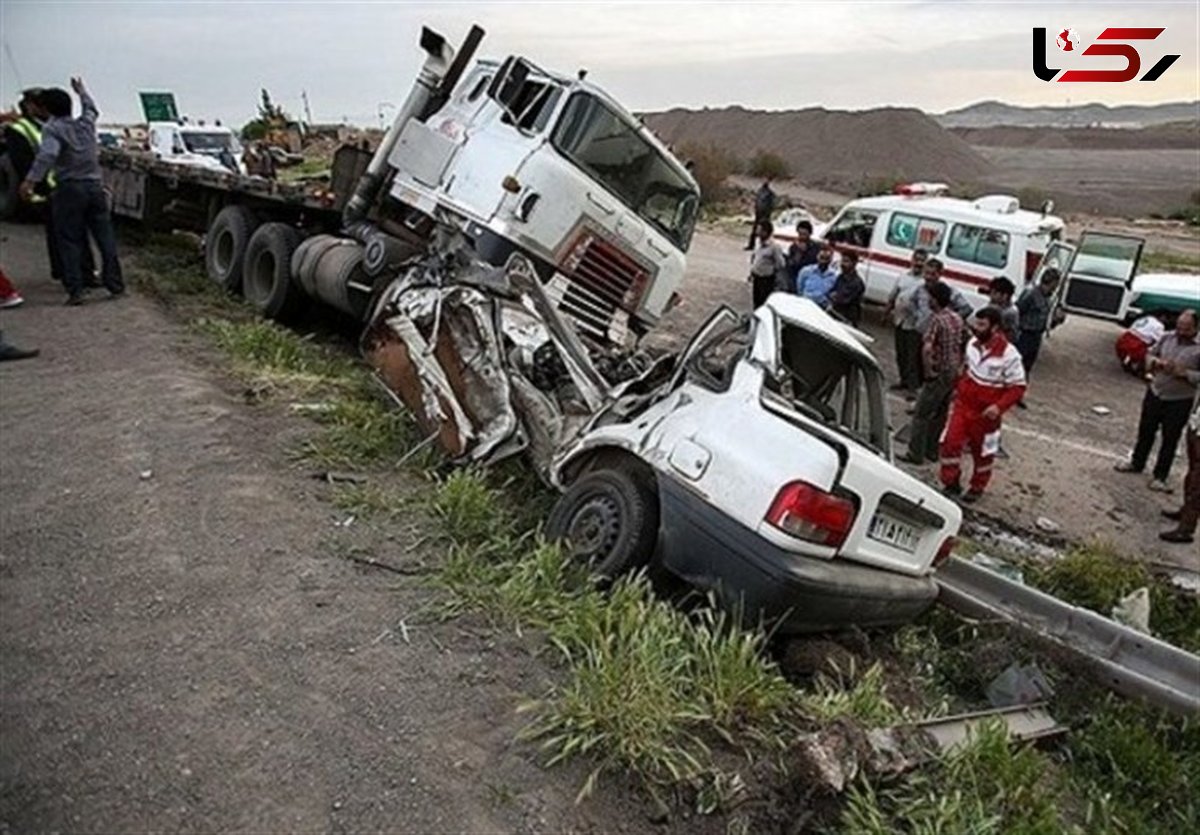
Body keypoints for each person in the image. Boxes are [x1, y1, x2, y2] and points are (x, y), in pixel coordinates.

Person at [19, 78, 124, 306]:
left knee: (69, 239)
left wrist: (30, 182)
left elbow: (47, 155)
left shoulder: (52, 129)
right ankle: (115, 284)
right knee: (105, 238)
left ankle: (76, 290)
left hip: (69, 189)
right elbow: (92, 110)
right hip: (95, 187)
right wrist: (82, 92)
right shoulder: (85, 125)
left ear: (46, 109)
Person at [2, 89, 96, 287]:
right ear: (31, 106)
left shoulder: (52, 125)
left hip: (65, 187)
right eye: (41, 104)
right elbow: (26, 163)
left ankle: (84, 274)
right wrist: (35, 188)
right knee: (62, 236)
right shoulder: (20, 129)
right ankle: (69, 276)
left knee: (75, 233)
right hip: (49, 191)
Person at [939, 306, 1027, 503]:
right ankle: (951, 482)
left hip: (987, 416)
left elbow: (1018, 387)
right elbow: (967, 370)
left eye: (981, 324)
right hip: (963, 408)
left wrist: (998, 407)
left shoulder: (1010, 355)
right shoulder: (972, 344)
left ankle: (977, 487)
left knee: (984, 453)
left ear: (995, 328)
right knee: (950, 444)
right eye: (976, 323)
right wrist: (958, 388)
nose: (976, 328)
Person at [1114, 309, 1200, 491]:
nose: (1181, 332)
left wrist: (1185, 373)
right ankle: (1137, 462)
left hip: (1180, 398)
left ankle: (1160, 476)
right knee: (1146, 429)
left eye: (1186, 329)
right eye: (1179, 327)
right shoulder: (1167, 337)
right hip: (1156, 391)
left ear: (1195, 328)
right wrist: (1155, 363)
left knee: (1170, 438)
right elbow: (1149, 353)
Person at [901, 282, 965, 465]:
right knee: (940, 413)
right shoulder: (956, 318)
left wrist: (929, 371)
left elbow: (928, 348)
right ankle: (932, 450)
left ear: (935, 300)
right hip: (952, 371)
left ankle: (915, 453)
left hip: (939, 372)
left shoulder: (937, 320)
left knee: (921, 414)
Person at [1013, 269, 1061, 408]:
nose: (1055, 287)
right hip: (1025, 334)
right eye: (1055, 284)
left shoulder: (1047, 298)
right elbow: (1018, 311)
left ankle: (1018, 395)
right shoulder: (1031, 294)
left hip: (1036, 335)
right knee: (1016, 365)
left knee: (1027, 367)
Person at [884, 248, 929, 393]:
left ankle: (913, 385)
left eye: (922, 260)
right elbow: (893, 295)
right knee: (901, 353)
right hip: (900, 320)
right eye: (916, 259)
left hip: (915, 324)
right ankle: (903, 380)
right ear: (912, 260)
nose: (918, 263)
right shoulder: (903, 276)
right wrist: (886, 312)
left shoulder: (925, 282)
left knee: (913, 356)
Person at [1159, 396, 1200, 544]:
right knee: (1192, 473)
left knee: (1197, 484)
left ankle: (1186, 529)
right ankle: (1185, 512)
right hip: (1197, 424)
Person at [1115, 310, 1169, 375]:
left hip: (1124, 338)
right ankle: (1143, 370)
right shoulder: (1159, 325)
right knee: (1150, 352)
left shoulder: (1146, 318)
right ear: (1162, 317)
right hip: (1136, 344)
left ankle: (1129, 362)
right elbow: (1159, 340)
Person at [748, 220, 787, 308]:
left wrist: (771, 270)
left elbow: (780, 263)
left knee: (763, 302)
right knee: (756, 301)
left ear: (765, 232)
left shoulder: (774, 247)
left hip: (766, 279)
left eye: (759, 230)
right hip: (756, 277)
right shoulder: (758, 242)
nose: (757, 232)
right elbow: (756, 257)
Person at [828, 250, 866, 326]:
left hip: (847, 319)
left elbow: (843, 300)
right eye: (842, 261)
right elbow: (831, 292)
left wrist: (835, 296)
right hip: (835, 314)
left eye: (846, 261)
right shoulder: (840, 277)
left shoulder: (857, 282)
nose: (842, 264)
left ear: (854, 263)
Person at [785, 220, 820, 284]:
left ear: (810, 234)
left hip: (811, 278)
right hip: (796, 278)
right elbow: (790, 266)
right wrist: (799, 253)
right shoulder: (794, 247)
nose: (802, 237)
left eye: (804, 234)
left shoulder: (816, 247)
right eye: (800, 234)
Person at [745, 179, 775, 250]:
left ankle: (763, 245)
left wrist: (768, 213)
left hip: (765, 214)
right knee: (755, 230)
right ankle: (751, 245)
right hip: (759, 213)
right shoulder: (760, 192)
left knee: (764, 232)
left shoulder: (770, 193)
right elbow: (757, 202)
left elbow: (771, 205)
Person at [988, 276, 1020, 342]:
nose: (991, 295)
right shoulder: (994, 305)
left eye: (995, 293)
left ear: (1005, 296)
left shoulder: (1009, 313)